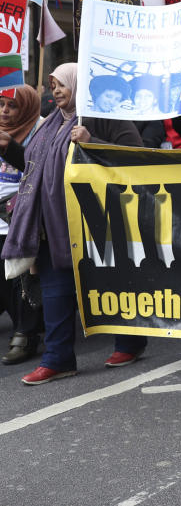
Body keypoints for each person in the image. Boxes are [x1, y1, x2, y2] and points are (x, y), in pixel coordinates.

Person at [1, 64, 148, 384]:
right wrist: (9, 149)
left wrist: (91, 140)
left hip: (98, 222)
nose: (55, 90)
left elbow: (137, 159)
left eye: (61, 84)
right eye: (52, 85)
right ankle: (58, 358)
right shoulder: (49, 125)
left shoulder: (104, 116)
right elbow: (33, 168)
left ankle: (130, 342)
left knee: (109, 286)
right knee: (56, 293)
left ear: (79, 85)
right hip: (51, 226)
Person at [0, 86, 43, 365]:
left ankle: (26, 334)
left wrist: (10, 148)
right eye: (0, 105)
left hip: (21, 214)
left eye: (11, 106)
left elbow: (38, 169)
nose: (4, 111)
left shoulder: (40, 131)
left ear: (25, 108)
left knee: (22, 279)